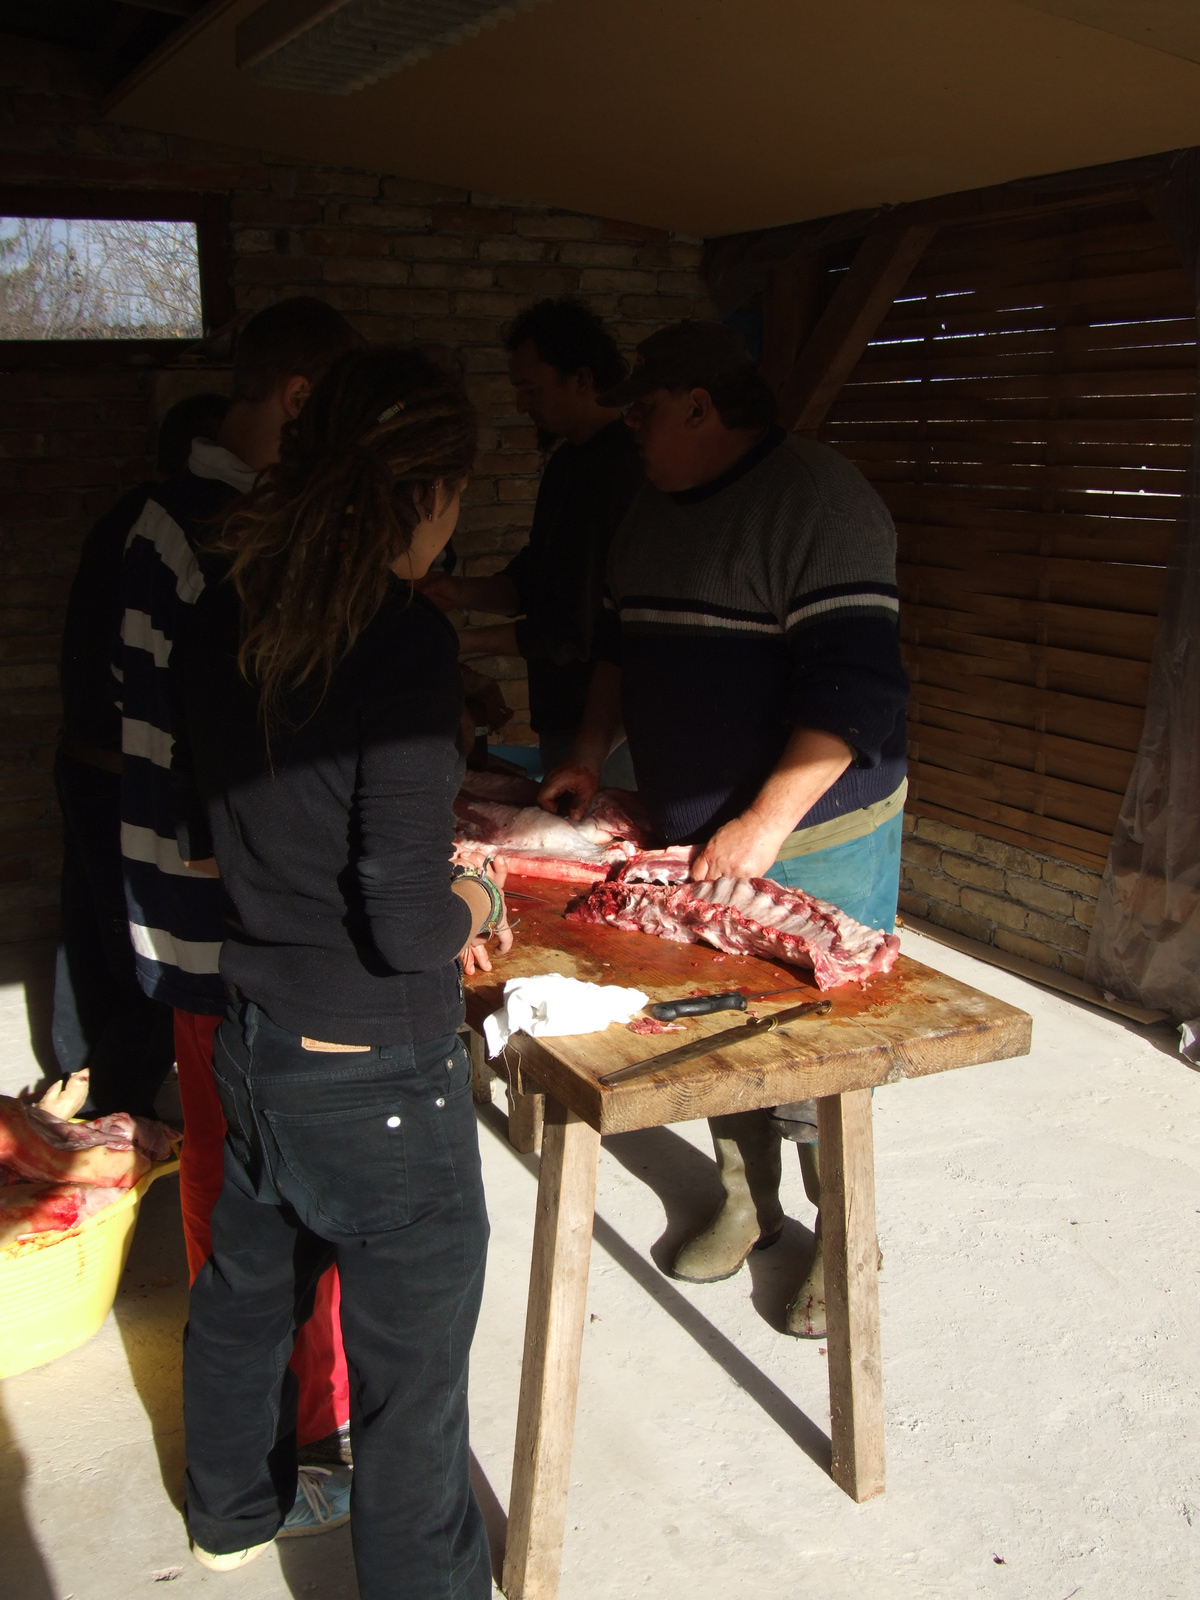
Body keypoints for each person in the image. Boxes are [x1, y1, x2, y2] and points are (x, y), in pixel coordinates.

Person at [171, 345, 507, 1593]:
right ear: (425, 490)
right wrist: (477, 887)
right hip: (375, 1070)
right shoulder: (401, 642)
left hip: (255, 1036)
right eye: (459, 493)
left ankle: (229, 1511)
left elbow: (222, 829)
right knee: (415, 1383)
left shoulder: (222, 614)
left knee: (246, 1293)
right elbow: (404, 920)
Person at [540, 321, 910, 1337]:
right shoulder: (648, 509)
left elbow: (856, 694)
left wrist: (759, 823)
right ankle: (748, 1202)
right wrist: (585, 749)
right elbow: (619, 651)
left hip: (817, 831)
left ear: (700, 407)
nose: (633, 434)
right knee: (716, 1022)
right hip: (694, 828)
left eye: (644, 413)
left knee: (819, 1046)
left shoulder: (821, 505)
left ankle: (844, 1234)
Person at [116, 298, 361, 1493]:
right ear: (303, 400)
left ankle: (274, 1430)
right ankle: (293, 1437)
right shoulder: (220, 533)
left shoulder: (174, 518)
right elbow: (232, 741)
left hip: (202, 904)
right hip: (230, 917)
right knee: (257, 1182)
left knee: (239, 1165)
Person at [52, 391, 227, 1117]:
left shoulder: (128, 520)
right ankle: (103, 1114)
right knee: (148, 962)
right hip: (126, 774)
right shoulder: (175, 533)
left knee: (90, 944)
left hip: (87, 761)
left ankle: (79, 1082)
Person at [419, 297, 644, 783]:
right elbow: (537, 576)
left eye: (530, 389)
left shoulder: (620, 471)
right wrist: (458, 592)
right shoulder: (568, 462)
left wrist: (456, 643)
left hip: (610, 726)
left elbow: (574, 630)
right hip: (562, 712)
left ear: (582, 380)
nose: (521, 404)